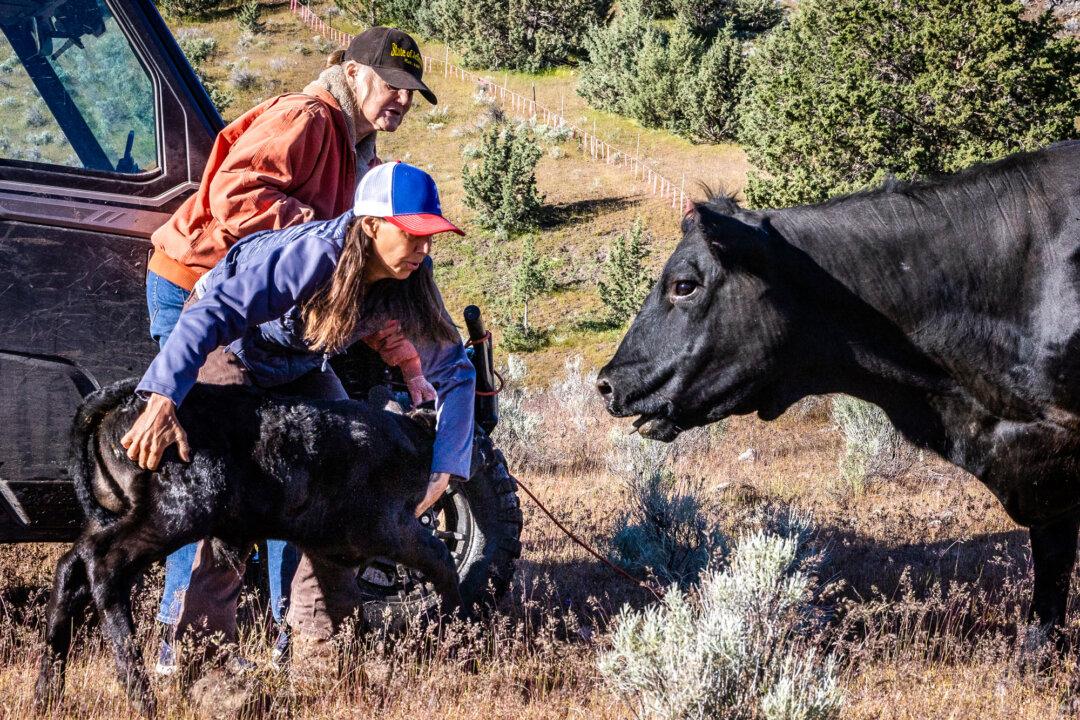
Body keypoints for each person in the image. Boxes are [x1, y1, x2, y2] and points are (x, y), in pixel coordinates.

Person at [143, 26, 438, 669]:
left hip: (277, 321)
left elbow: (364, 280)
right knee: (215, 473)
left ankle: (296, 642)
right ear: (356, 74)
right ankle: (182, 645)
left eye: (412, 93)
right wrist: (322, 241)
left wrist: (406, 361)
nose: (403, 102)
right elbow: (234, 197)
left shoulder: (360, 153)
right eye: (393, 86)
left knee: (311, 468)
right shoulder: (306, 118)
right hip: (203, 291)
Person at [124, 162, 474, 662]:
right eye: (412, 234)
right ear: (370, 225)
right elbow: (212, 313)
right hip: (231, 348)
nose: (424, 248)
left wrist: (446, 466)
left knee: (345, 476)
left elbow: (456, 371)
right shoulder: (314, 254)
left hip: (298, 363)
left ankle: (320, 652)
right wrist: (164, 397)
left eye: (430, 236)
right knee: (230, 494)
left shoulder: (413, 275)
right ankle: (197, 655)